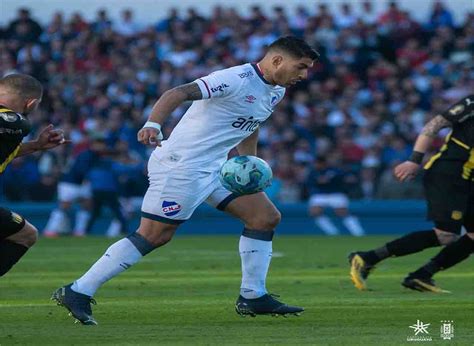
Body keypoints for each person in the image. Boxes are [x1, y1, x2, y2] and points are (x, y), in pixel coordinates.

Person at [52, 36, 319, 325]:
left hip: (216, 168)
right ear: (277, 60)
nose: (304, 75)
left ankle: (253, 296)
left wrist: (248, 162)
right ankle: (78, 290)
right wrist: (153, 124)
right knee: (154, 235)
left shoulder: (275, 90)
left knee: (265, 217)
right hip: (182, 166)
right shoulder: (234, 79)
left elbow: (251, 123)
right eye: (301, 67)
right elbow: (175, 93)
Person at [349, 94, 473, 292]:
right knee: (446, 235)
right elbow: (433, 125)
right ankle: (367, 258)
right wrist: (414, 160)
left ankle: (421, 276)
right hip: (449, 174)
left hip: (468, 180)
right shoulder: (471, 103)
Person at [0, 73, 68, 277]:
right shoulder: (15, 123)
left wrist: (37, 146)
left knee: (25, 233)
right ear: (31, 103)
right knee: (25, 234)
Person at [307, 156, 365, 236]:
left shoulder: (335, 170)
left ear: (322, 163)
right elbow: (317, 181)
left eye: (316, 163)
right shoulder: (313, 172)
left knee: (342, 212)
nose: (315, 165)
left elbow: (349, 178)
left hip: (336, 193)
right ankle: (332, 233)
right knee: (314, 212)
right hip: (320, 194)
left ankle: (358, 232)